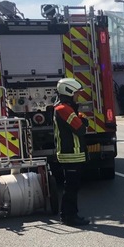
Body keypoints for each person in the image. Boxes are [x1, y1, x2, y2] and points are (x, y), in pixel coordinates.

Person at [53, 78, 90, 226]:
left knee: (72, 187)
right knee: (71, 188)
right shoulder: (64, 109)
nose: (78, 97)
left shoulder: (65, 109)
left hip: (71, 155)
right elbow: (80, 129)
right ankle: (69, 217)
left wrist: (81, 119)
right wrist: (83, 122)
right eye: (76, 94)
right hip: (70, 155)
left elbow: (80, 122)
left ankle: (69, 215)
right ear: (68, 92)